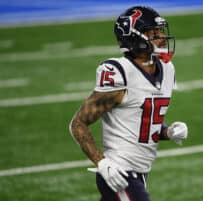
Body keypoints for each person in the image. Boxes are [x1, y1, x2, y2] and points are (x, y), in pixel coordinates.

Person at [69, 5, 188, 201]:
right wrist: (102, 163)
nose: (161, 37)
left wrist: (168, 131)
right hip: (120, 172)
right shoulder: (120, 73)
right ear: (135, 37)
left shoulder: (167, 69)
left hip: (140, 173)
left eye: (160, 31)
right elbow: (78, 124)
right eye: (154, 32)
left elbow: (142, 123)